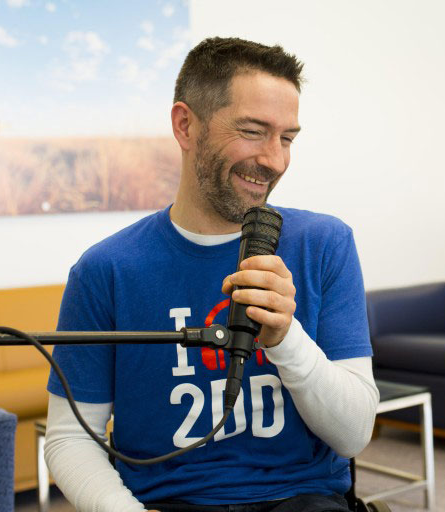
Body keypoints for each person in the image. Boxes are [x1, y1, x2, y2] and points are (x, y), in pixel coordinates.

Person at [44, 37, 378, 512]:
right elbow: (70, 440)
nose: (275, 160)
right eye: (253, 131)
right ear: (185, 125)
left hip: (303, 499)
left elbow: (354, 435)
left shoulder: (324, 244)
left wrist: (285, 337)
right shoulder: (106, 270)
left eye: (287, 138)